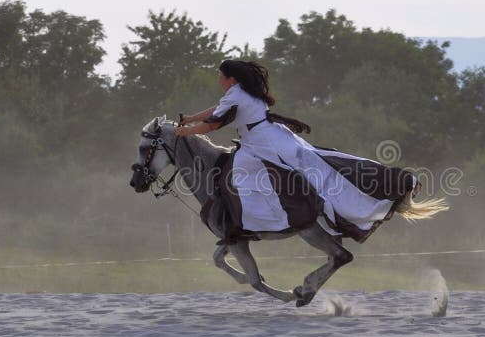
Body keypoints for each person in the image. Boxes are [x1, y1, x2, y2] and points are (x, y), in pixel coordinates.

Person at [176, 59, 417, 243]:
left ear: (232, 80)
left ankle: (245, 225)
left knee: (238, 179)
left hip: (262, 144)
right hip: (275, 136)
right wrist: (189, 119)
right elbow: (214, 111)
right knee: (322, 166)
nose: (219, 80)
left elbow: (214, 124)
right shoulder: (241, 92)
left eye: (221, 77)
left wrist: (183, 133)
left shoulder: (235, 95)